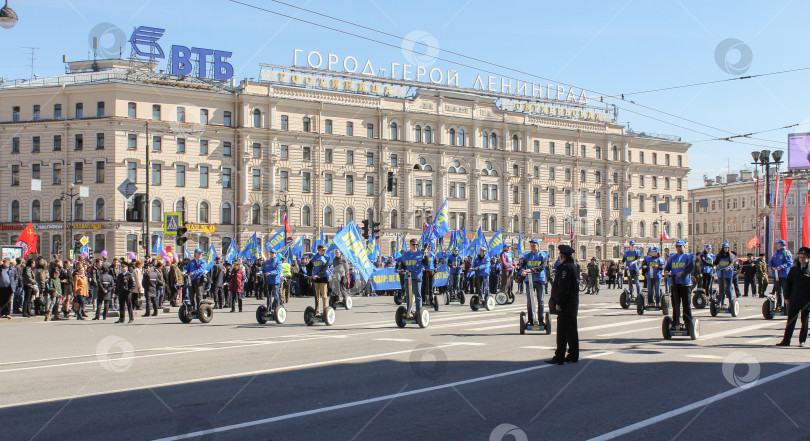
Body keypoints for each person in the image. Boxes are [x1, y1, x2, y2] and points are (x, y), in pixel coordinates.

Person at [547, 244, 579, 365]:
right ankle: (573, 354)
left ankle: (559, 356)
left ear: (561, 256)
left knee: (562, 331)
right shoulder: (573, 266)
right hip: (572, 304)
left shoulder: (565, 268)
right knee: (572, 331)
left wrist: (559, 303)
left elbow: (563, 288)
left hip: (565, 305)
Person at [776, 247, 810, 347]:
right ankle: (786, 341)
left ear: (808, 258)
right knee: (790, 321)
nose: (802, 259)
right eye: (800, 257)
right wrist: (786, 297)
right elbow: (787, 284)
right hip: (794, 299)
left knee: (804, 322)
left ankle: (802, 341)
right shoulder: (794, 270)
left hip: (806, 300)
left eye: (804, 257)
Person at [665, 240, 695, 331]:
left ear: (684, 247)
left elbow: (691, 268)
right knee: (675, 304)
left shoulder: (689, 256)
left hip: (685, 284)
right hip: (674, 283)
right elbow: (668, 267)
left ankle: (688, 323)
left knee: (686, 304)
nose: (678, 248)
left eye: (680, 246)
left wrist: (683, 273)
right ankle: (675, 323)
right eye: (677, 246)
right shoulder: (672, 256)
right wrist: (666, 272)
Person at [520, 238, 548, 325]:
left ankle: (541, 320)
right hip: (530, 280)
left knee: (541, 300)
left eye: (534, 245)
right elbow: (523, 266)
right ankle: (531, 320)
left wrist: (530, 270)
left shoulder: (543, 255)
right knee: (530, 301)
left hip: (539, 280)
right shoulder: (527, 255)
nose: (532, 247)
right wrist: (523, 271)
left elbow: (542, 267)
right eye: (531, 245)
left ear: (538, 246)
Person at [396, 239, 427, 314]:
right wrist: (402, 269)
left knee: (418, 296)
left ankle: (418, 312)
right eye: (413, 245)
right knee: (409, 296)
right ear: (410, 245)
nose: (415, 246)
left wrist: (425, 255)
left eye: (416, 245)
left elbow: (426, 264)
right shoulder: (405, 255)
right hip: (408, 278)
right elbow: (402, 264)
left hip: (417, 277)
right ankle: (410, 311)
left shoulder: (421, 253)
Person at [768, 239, 793, 309]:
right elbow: (771, 260)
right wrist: (770, 266)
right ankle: (779, 305)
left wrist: (781, 267)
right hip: (776, 275)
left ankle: (786, 306)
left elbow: (790, 263)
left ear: (781, 245)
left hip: (784, 275)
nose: (777, 245)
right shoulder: (776, 253)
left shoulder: (786, 252)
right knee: (778, 291)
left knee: (785, 290)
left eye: (778, 244)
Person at [307, 245, 331, 315]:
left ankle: (325, 310)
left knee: (324, 295)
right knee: (317, 296)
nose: (324, 251)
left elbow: (325, 268)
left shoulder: (327, 257)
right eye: (323, 250)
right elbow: (309, 267)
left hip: (323, 278)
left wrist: (318, 274)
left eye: (325, 250)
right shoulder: (314, 258)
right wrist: (309, 275)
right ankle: (317, 310)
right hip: (315, 279)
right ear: (319, 250)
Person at [715, 243, 736, 307]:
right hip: (721, 273)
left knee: (729, 288)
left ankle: (731, 303)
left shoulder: (731, 256)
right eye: (724, 248)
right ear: (723, 248)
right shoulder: (719, 256)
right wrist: (714, 266)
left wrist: (729, 267)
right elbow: (715, 263)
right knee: (721, 289)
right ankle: (720, 303)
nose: (726, 249)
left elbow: (732, 263)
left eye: (727, 248)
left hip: (728, 274)